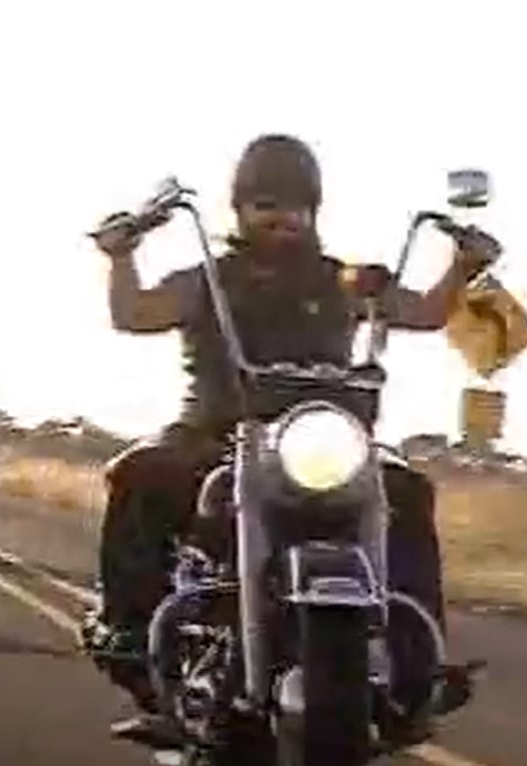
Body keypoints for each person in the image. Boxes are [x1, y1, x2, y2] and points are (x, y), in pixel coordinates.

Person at [82, 134, 499, 739]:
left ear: (315, 213)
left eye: (297, 207)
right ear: (240, 211)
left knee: (408, 491)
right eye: (266, 205)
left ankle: (417, 666)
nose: (283, 218)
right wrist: (121, 256)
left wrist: (463, 266)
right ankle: (130, 632)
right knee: (140, 472)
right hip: (216, 430)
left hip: (324, 437)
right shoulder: (210, 279)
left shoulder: (344, 281)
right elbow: (135, 313)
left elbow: (426, 312)